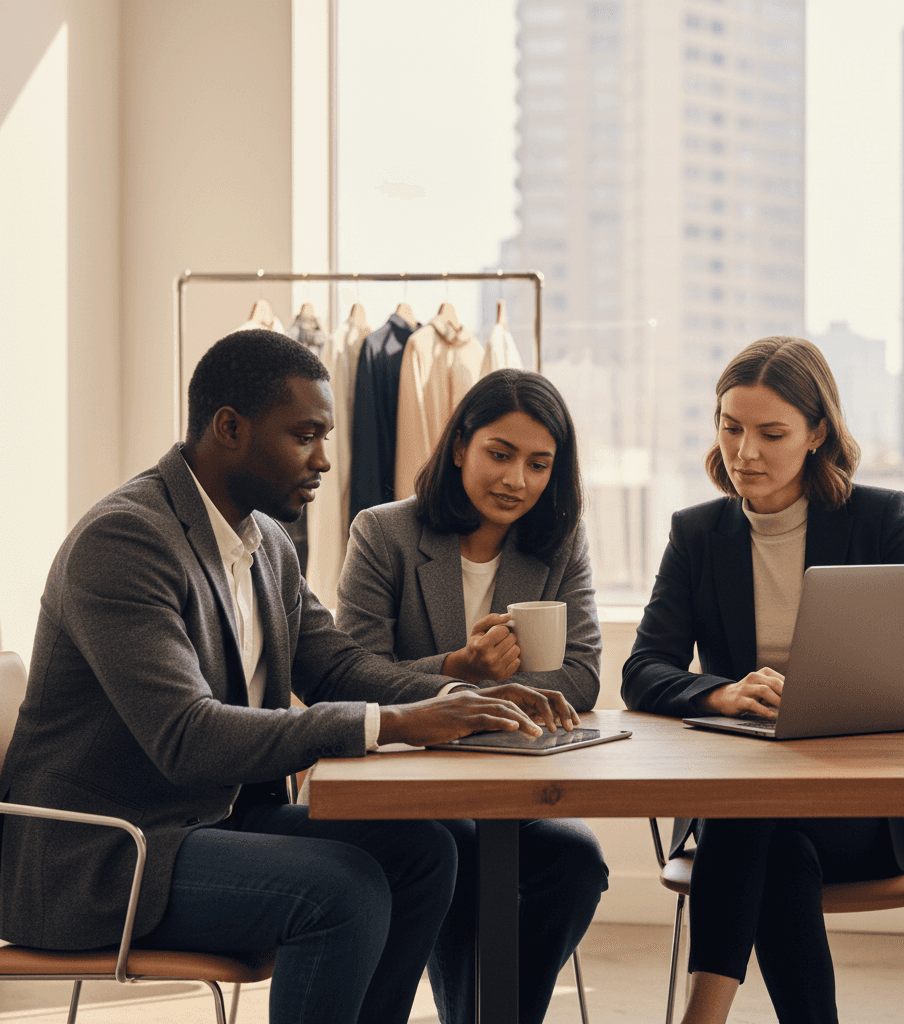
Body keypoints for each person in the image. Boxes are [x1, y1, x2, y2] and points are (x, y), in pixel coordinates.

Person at [0, 330, 574, 1024]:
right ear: (230, 428)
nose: (325, 460)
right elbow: (186, 736)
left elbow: (336, 665)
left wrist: (465, 698)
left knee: (428, 848)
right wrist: (392, 723)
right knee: (342, 891)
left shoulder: (267, 542)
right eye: (305, 436)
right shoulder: (124, 541)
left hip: (216, 822)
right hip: (107, 852)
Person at [620, 336, 904, 1024]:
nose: (745, 452)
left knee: (750, 817)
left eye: (771, 433)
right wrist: (720, 692)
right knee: (767, 828)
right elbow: (643, 668)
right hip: (759, 807)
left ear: (817, 433)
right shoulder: (697, 534)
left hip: (867, 810)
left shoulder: (879, 518)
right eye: (730, 427)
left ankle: (699, 1019)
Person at [335, 367, 609, 1024]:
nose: (518, 479)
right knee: (456, 850)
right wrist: (460, 670)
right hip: (410, 785)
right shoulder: (383, 534)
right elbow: (352, 672)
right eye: (500, 454)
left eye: (540, 464)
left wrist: (497, 689)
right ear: (460, 446)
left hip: (512, 782)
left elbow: (583, 672)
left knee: (577, 862)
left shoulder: (559, 543)